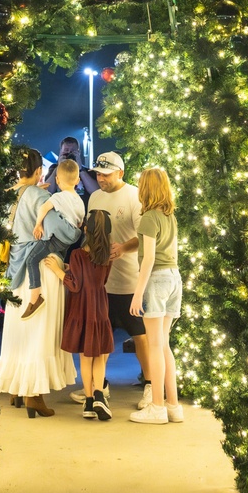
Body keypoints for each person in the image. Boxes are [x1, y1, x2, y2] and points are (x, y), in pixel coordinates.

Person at [0, 148, 74, 417]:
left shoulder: (8, 197)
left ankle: (17, 388)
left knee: (18, 330)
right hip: (40, 269)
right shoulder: (40, 196)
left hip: (15, 269)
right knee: (40, 331)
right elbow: (58, 229)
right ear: (39, 171)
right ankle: (34, 394)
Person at [84, 151, 152, 407]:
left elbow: (144, 236)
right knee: (100, 336)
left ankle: (150, 385)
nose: (101, 179)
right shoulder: (95, 198)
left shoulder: (134, 196)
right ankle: (97, 387)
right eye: (98, 174)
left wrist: (123, 248)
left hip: (128, 280)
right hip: (101, 282)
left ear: (120, 173)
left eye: (106, 174)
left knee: (139, 334)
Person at [45, 209, 113, 421]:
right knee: (100, 356)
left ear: (86, 229)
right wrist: (71, 268)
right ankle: (101, 395)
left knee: (85, 357)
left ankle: (90, 402)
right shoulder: (107, 256)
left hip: (82, 309)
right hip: (100, 308)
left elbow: (75, 285)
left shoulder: (77, 254)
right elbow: (100, 280)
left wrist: (58, 270)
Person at [129, 166, 183, 425]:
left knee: (154, 345)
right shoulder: (169, 216)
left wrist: (137, 294)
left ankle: (157, 407)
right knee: (164, 345)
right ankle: (173, 406)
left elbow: (149, 258)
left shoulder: (149, 217)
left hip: (157, 280)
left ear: (145, 188)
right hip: (174, 278)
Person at [22, 158, 85, 318]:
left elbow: (44, 207)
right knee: (59, 255)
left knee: (31, 260)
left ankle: (35, 298)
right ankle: (62, 264)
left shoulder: (58, 197)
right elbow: (80, 222)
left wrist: (38, 225)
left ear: (57, 179)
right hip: (70, 239)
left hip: (54, 238)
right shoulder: (79, 201)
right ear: (77, 180)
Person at [45, 136, 99, 202]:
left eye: (73, 151)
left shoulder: (88, 172)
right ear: (60, 152)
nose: (69, 153)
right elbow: (47, 191)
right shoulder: (53, 169)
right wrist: (59, 167)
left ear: (79, 153)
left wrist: (80, 169)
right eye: (66, 150)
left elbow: (96, 192)